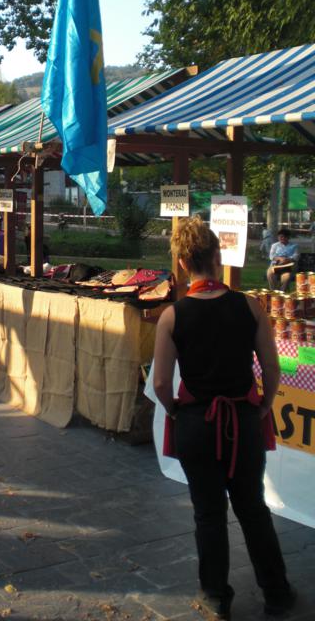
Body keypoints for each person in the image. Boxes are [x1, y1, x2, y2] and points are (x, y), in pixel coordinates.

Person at [153, 216, 295, 620]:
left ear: (183, 264)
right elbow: (271, 367)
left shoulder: (172, 316)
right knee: (252, 508)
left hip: (196, 423)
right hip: (243, 419)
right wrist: (264, 405)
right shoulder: (250, 306)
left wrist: (175, 410)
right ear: (218, 256)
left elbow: (161, 382)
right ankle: (277, 593)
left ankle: (216, 597)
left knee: (208, 513)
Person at [267, 228, 299, 292]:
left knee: (286, 277)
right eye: (280, 237)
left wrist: (287, 259)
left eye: (284, 237)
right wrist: (280, 258)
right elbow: (271, 256)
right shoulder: (275, 245)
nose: (282, 238)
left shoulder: (294, 246)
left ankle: (282, 292)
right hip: (275, 266)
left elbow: (296, 256)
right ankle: (274, 292)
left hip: (287, 267)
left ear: (288, 237)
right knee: (270, 273)